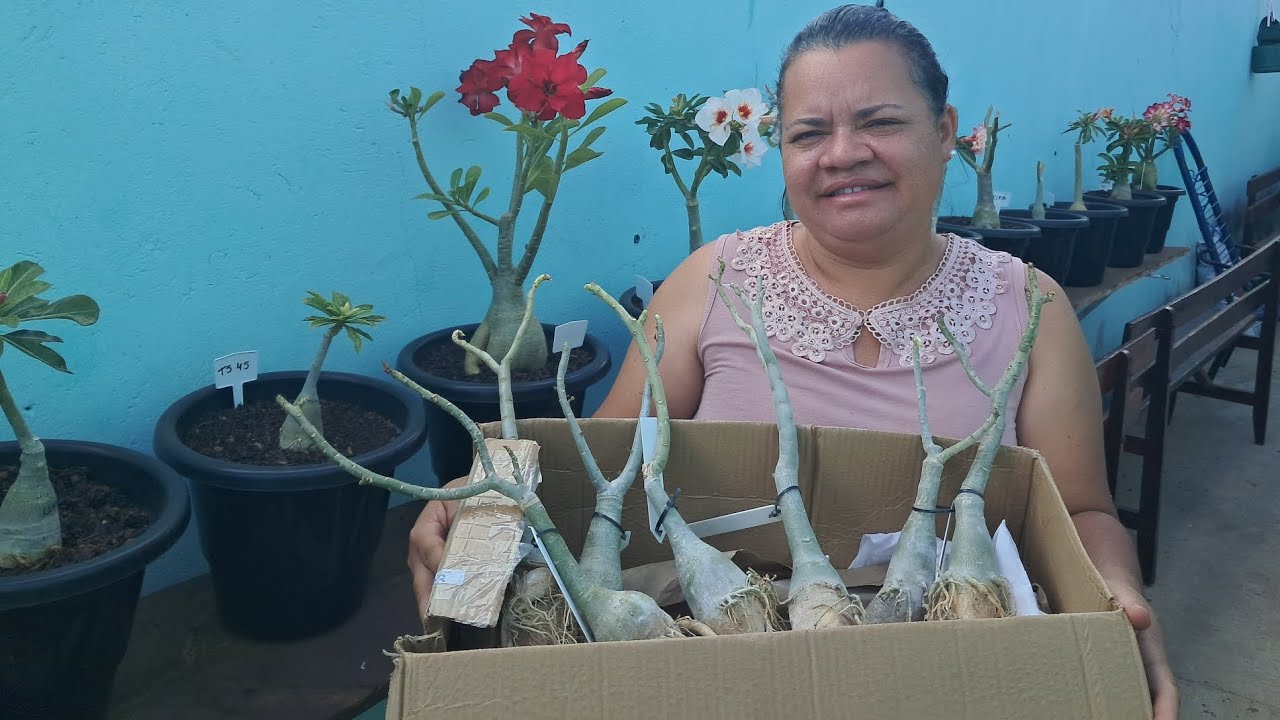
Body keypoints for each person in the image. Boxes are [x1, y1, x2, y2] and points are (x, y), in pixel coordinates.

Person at [406, 5, 1176, 717]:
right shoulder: (710, 283)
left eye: (879, 121)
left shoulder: (1027, 303)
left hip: (953, 676)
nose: (843, 155)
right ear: (781, 151)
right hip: (712, 671)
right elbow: (595, 469)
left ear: (945, 131)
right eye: (809, 134)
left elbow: (1081, 512)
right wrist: (483, 497)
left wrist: (1116, 601)